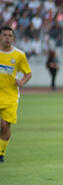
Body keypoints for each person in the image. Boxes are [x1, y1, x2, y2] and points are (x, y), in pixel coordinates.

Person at [0, 26, 32, 163]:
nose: (7, 38)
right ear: (0, 37)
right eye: (5, 35)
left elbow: (28, 73)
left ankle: (1, 152)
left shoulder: (19, 55)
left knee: (5, 125)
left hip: (10, 95)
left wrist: (22, 82)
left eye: (10, 35)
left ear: (13, 38)